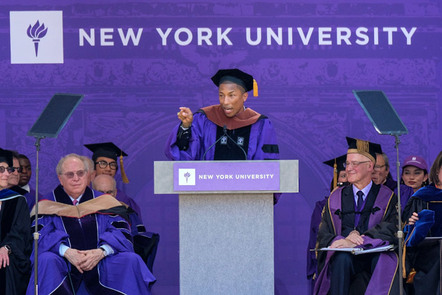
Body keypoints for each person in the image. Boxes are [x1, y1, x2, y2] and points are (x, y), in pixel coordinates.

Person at [26, 153, 155, 295]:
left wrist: (101, 251)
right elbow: (41, 237)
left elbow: (120, 233)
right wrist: (66, 251)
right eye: (70, 174)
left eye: (80, 173)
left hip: (102, 262)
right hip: (64, 262)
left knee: (131, 260)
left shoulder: (105, 202)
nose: (76, 178)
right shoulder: (47, 204)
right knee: (46, 260)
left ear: (87, 175)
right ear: (60, 179)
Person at [314, 137, 399, 295]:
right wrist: (342, 240)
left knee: (382, 261)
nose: (349, 168)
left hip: (373, 254)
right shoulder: (335, 197)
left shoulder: (387, 197)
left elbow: (390, 228)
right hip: (344, 257)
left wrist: (361, 240)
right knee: (341, 259)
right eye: (347, 163)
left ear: (369, 166)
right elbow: (323, 233)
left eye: (355, 163)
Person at [164, 68, 279, 161]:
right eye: (221, 95)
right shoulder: (204, 119)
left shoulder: (260, 124)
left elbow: (267, 168)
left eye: (231, 95)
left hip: (248, 188)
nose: (225, 102)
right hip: (207, 187)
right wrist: (186, 127)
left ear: (244, 97)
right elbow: (185, 155)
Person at [92, 174, 159, 273]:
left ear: (115, 193)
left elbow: (137, 239)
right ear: (93, 192)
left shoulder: (127, 213)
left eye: (109, 192)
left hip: (120, 261)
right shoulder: (84, 212)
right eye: (100, 192)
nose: (105, 196)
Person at [306, 154, 348, 294]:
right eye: (342, 175)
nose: (346, 179)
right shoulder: (323, 206)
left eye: (349, 174)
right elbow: (316, 236)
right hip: (328, 261)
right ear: (335, 179)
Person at [402, 151, 442, 295]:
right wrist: (413, 226)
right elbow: (407, 236)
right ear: (437, 171)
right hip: (427, 253)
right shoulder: (422, 197)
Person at [0, 148, 32, 295]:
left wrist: (7, 247)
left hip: (8, 255)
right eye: (1, 169)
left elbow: (21, 232)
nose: (8, 173)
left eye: (9, 169)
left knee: (6, 262)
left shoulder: (17, 200)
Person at [84, 142, 142, 217]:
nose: (108, 169)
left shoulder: (124, 200)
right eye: (103, 163)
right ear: (94, 167)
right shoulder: (84, 196)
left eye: (112, 165)